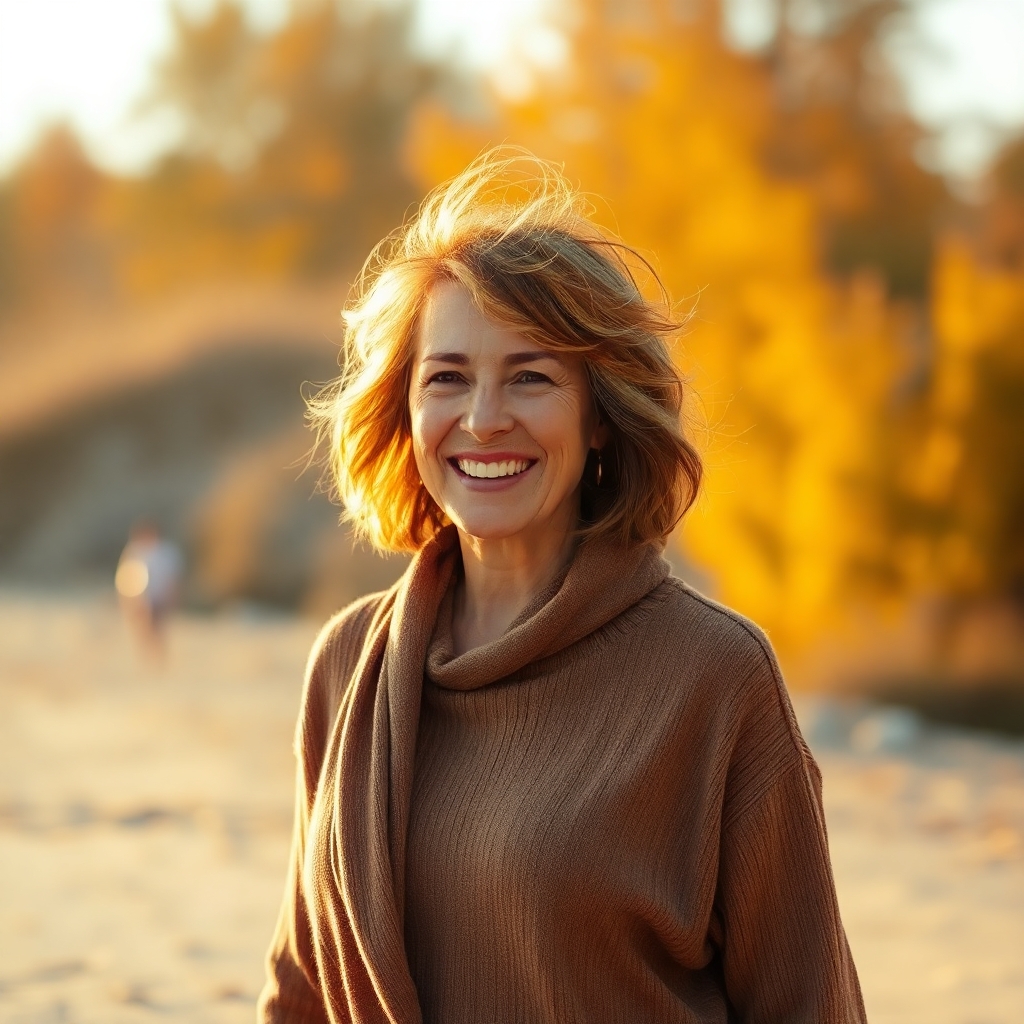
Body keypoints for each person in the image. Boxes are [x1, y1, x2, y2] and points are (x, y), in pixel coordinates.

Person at [258, 150, 866, 1024]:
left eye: (531, 376)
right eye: (448, 377)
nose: (483, 419)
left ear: (601, 416)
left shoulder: (714, 677)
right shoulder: (349, 662)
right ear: (406, 409)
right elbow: (302, 985)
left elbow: (809, 1004)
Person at [115, 521, 183, 661]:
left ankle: (159, 656)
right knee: (143, 628)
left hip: (160, 597)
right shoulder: (134, 551)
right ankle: (147, 655)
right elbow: (126, 575)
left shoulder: (166, 552)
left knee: (159, 627)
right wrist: (127, 598)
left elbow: (173, 576)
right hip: (140, 598)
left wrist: (173, 595)